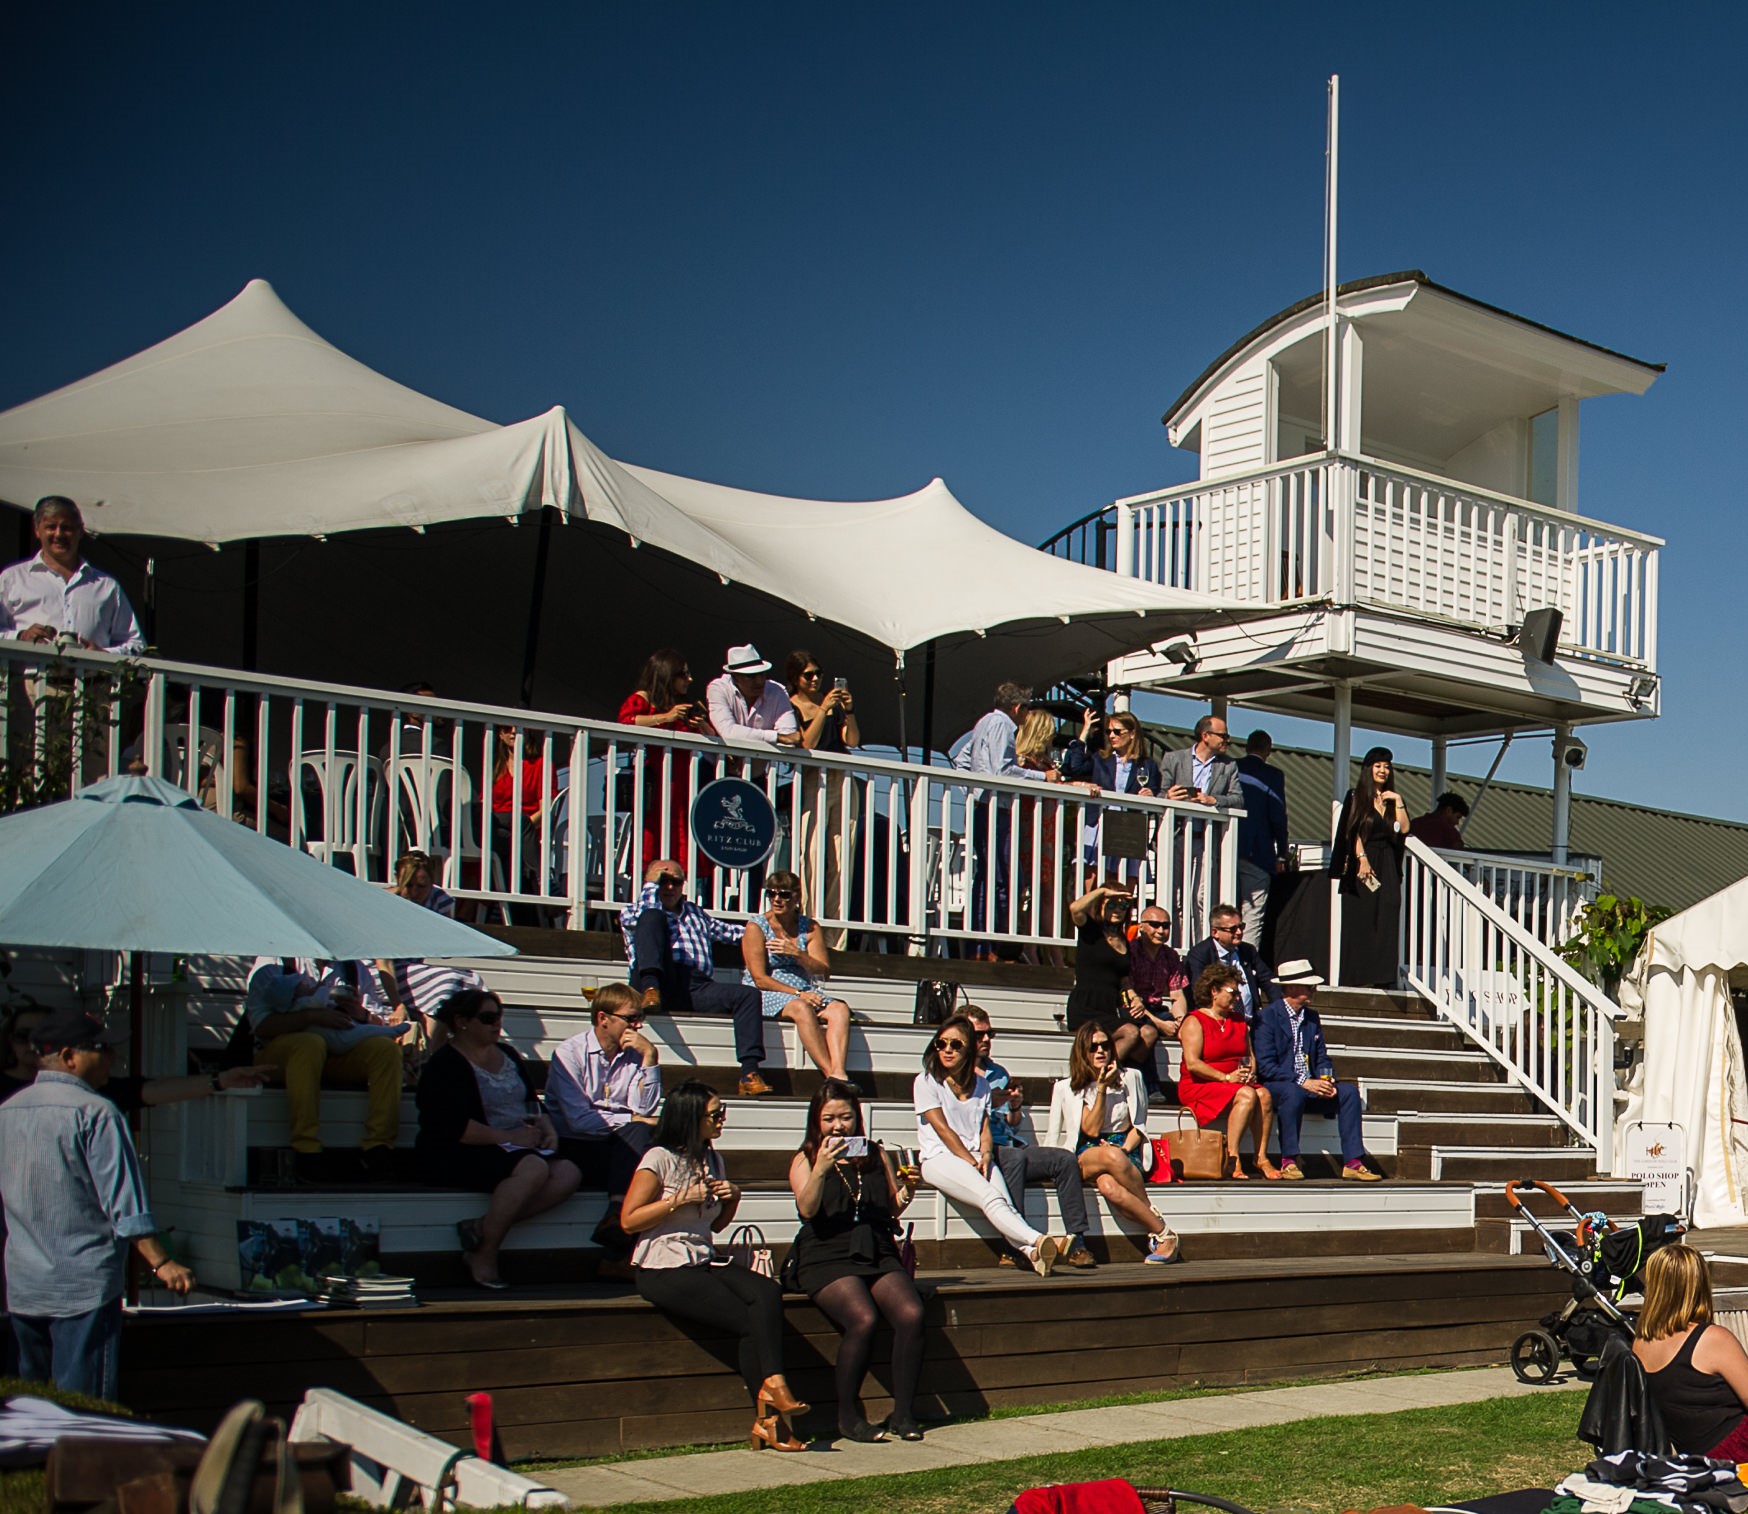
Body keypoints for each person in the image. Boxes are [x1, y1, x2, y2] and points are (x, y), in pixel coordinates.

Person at [0, 1010, 194, 1401]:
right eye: (103, 1049)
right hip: (83, 1289)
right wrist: (162, 1263)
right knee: (84, 1415)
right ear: (70, 1056)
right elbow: (125, 1206)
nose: (112, 1058)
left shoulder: (8, 1111)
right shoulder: (97, 1113)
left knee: (28, 1413)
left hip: (22, 1286)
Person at [622, 1081, 810, 1452]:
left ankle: (772, 1388)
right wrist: (677, 1200)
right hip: (661, 1266)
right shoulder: (657, 1158)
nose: (723, 1118)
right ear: (691, 1117)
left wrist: (733, 1198)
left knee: (767, 1291)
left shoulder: (712, 1158)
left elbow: (716, 1225)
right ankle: (771, 1417)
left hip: (702, 1256)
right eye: (715, 1113)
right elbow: (628, 1221)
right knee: (749, 1321)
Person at [414, 988, 581, 1290]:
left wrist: (548, 1128)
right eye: (488, 1018)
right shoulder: (445, 1065)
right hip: (462, 1150)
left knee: (569, 1172)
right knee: (534, 1168)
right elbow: (453, 1127)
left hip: (514, 1146)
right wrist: (512, 1137)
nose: (496, 1024)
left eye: (499, 1017)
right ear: (462, 1021)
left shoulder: (507, 1054)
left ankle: (481, 1227)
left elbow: (531, 1102)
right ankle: (485, 1252)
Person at [788, 1079, 925, 1442]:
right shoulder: (805, 1158)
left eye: (845, 1118)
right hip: (826, 1251)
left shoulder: (875, 1154)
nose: (838, 1126)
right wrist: (820, 1168)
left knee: (911, 1313)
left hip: (875, 1247)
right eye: (829, 1118)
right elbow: (806, 1209)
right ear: (816, 1120)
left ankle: (905, 1413)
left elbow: (892, 1206)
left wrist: (908, 1190)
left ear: (857, 1119)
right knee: (863, 1318)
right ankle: (848, 1415)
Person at [913, 1013, 1064, 1275]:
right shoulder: (926, 1081)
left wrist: (984, 1154)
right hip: (939, 1157)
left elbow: (984, 1127)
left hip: (975, 1156)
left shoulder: (981, 1084)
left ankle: (1032, 1254)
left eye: (955, 1045)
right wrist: (972, 1161)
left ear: (968, 1049)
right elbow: (943, 1129)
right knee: (991, 1196)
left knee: (1004, 1201)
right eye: (941, 1043)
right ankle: (1039, 1239)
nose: (947, 1050)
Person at [244, 957, 405, 1183]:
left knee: (385, 1049)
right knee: (309, 1043)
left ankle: (378, 1147)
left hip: (336, 1050)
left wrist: (362, 1015)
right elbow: (260, 1026)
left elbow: (378, 1021)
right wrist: (311, 1016)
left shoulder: (353, 968)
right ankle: (306, 1148)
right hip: (278, 1056)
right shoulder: (273, 963)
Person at [622, 860, 771, 1096]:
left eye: (676, 882)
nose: (670, 887)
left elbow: (734, 934)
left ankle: (749, 1073)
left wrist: (772, 932)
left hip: (695, 986)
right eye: (664, 881)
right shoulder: (636, 911)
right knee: (652, 917)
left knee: (748, 995)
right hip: (657, 979)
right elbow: (643, 915)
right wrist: (652, 886)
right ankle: (650, 988)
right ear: (650, 883)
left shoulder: (696, 914)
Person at [965, 1007, 1097, 1271]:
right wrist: (990, 1101)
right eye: (980, 1035)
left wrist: (1014, 1105)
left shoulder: (998, 1073)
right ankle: (1014, 1246)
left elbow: (1010, 1122)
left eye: (990, 1033)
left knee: (1064, 1158)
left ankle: (1077, 1241)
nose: (987, 1040)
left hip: (1009, 1144)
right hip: (979, 1148)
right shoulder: (957, 1075)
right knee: (1015, 1157)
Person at [545, 982, 661, 1281]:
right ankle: (620, 1245)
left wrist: (650, 1059)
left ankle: (616, 1217)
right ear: (603, 1018)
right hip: (576, 1145)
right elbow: (579, 1121)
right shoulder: (569, 1054)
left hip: (618, 1146)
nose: (637, 1026)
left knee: (645, 1140)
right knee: (641, 1137)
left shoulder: (635, 1053)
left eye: (640, 1019)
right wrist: (633, 1120)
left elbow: (644, 1110)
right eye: (631, 1018)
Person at [1043, 1024, 1180, 1264]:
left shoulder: (1132, 1078)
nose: (1100, 1051)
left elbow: (1139, 1127)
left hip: (1124, 1145)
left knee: (1109, 1187)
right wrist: (1103, 1088)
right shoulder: (1066, 1087)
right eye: (1092, 1047)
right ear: (1081, 1052)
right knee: (1112, 1158)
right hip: (1084, 1150)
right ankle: (1161, 1226)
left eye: (1105, 1045)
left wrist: (1125, 1148)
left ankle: (1163, 1235)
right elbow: (1091, 1130)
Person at [1252, 960, 1380, 1182]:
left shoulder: (1311, 1018)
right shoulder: (1267, 1017)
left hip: (1307, 1085)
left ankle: (1353, 1162)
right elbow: (1266, 1066)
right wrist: (1303, 1080)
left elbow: (1322, 1056)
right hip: (1280, 1086)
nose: (1314, 990)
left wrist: (1326, 1079)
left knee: (1348, 1093)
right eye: (1308, 986)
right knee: (1293, 1092)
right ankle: (1289, 1160)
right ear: (1291, 988)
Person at [1633, 1245, 1748, 1458]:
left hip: (1695, 1454)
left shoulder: (1640, 1343)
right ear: (1699, 1284)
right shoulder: (1712, 1339)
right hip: (1734, 1451)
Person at [740, 870, 853, 1084]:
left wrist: (797, 954)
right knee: (801, 1008)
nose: (777, 900)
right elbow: (759, 978)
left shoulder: (808, 927)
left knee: (840, 1009)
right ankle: (831, 1074)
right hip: (768, 991)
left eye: (784, 895)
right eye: (771, 894)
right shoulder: (757, 927)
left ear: (797, 897)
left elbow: (823, 969)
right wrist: (799, 994)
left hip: (803, 989)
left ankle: (839, 1070)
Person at [0, 497, 144, 654]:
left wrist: (104, 654)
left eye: (67, 527)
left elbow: (137, 645)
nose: (59, 534)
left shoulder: (106, 585)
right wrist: (20, 636)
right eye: (50, 527)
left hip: (91, 677)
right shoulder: (12, 579)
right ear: (36, 530)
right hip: (27, 678)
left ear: (80, 530)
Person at [786, 650, 861, 949]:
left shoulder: (831, 704)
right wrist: (821, 711)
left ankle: (835, 936)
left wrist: (849, 710)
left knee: (842, 855)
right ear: (795, 678)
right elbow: (807, 743)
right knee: (812, 854)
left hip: (842, 777)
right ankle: (810, 927)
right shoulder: (791, 706)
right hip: (813, 779)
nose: (816, 679)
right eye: (809, 674)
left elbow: (851, 740)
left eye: (818, 673)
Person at [1177, 964, 1279, 1181]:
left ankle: (1260, 1157)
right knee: (1247, 1094)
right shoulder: (1195, 1020)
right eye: (1232, 992)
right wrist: (1226, 1078)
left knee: (1264, 1095)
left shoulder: (1238, 1020)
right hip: (1201, 1084)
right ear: (1214, 991)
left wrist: (1250, 1072)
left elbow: (1248, 1054)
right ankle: (1232, 1157)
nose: (1237, 998)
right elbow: (1193, 1063)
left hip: (1235, 1081)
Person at [951, 681, 1031, 956]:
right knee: (1002, 877)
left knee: (987, 875)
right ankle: (993, 946)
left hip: (983, 806)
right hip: (996, 808)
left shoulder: (983, 723)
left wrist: (973, 791)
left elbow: (961, 760)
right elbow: (1003, 771)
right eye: (1026, 709)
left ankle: (981, 944)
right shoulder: (1004, 725)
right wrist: (1043, 777)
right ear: (1017, 707)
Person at [619, 649, 713, 874]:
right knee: (652, 835)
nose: (689, 680)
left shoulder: (684, 705)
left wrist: (700, 723)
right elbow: (625, 722)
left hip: (682, 787)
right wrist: (665, 717)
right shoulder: (643, 699)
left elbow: (714, 739)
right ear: (667, 674)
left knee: (682, 838)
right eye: (683, 674)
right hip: (656, 783)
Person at [1158, 713, 1242, 936]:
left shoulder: (1228, 765)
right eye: (1223, 735)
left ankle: (1200, 945)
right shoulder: (1173, 759)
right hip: (1176, 836)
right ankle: (1174, 946)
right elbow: (1158, 793)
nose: (1227, 740)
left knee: (1201, 897)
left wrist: (1214, 800)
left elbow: (1238, 798)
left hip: (1205, 839)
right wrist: (1167, 797)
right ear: (1205, 736)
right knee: (1173, 894)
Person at [1331, 746, 1407, 989]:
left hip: (1388, 861)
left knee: (1389, 909)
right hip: (1364, 859)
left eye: (1386, 766)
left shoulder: (1391, 800)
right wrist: (1362, 858)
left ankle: (1383, 976)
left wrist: (1399, 801)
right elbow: (1351, 830)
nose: (1383, 770)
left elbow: (1403, 830)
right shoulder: (1356, 796)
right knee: (1363, 916)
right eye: (1378, 766)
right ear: (1368, 769)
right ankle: (1357, 977)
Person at [1065, 883, 1159, 1075]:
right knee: (1130, 1032)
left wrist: (1133, 997)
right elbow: (1075, 908)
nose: (1117, 910)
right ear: (1100, 904)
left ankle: (1114, 1072)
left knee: (1149, 1034)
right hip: (1086, 1004)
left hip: (1108, 1005)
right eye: (1111, 905)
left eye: (1123, 906)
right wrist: (1102, 892)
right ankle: (1094, 1076)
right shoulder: (1090, 930)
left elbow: (1122, 977)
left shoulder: (1122, 938)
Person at [1062, 708, 1163, 869]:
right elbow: (1075, 768)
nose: (1112, 736)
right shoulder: (1101, 759)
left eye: (1117, 731)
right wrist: (1084, 733)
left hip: (1129, 824)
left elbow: (1156, 789)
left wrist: (1151, 793)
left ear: (1132, 734)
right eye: (1109, 731)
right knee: (1092, 872)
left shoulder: (1146, 764)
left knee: (1126, 875)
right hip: (1100, 820)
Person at [485, 724, 548, 920]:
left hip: (527, 830)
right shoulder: (494, 767)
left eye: (519, 728)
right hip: (497, 827)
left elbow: (545, 808)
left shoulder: (539, 764)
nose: (513, 732)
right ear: (501, 735)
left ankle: (504, 909)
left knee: (517, 826)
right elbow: (485, 804)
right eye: (507, 729)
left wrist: (523, 825)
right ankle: (539, 883)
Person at [1234, 731, 1290, 946]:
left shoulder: (1231, 767)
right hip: (1257, 851)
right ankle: (1246, 964)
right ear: (1268, 750)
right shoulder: (1272, 775)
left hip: (1224, 847)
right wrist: (1282, 853)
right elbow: (1277, 815)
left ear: (1247, 747)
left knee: (1221, 904)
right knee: (1253, 913)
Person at [1184, 904, 1277, 1025]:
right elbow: (1200, 993)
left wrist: (1277, 1011)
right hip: (1218, 1022)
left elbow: (1269, 982)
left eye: (1241, 927)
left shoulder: (1248, 951)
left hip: (1251, 1022)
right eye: (1232, 929)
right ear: (1215, 932)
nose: (1239, 932)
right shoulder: (1200, 955)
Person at [706, 644, 803, 749]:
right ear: (735, 677)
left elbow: (789, 738)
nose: (759, 681)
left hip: (761, 764)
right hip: (718, 763)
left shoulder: (777, 691)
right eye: (751, 676)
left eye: (762, 674)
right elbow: (728, 732)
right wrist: (777, 737)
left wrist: (781, 738)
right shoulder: (718, 688)